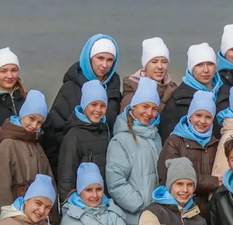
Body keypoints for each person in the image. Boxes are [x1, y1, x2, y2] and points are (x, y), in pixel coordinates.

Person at [44, 34, 122, 163]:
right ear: (89, 58)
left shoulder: (114, 90)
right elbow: (55, 131)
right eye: (100, 58)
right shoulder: (70, 88)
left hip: (108, 162)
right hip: (77, 163)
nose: (104, 65)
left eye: (110, 60)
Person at [105, 77, 164, 225]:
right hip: (134, 221)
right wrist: (141, 206)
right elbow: (116, 183)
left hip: (156, 218)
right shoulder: (120, 140)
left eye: (154, 109)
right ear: (134, 106)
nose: (149, 113)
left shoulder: (155, 137)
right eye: (145, 106)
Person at [0, 89, 53, 224]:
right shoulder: (7, 146)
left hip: (38, 218)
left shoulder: (37, 146)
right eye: (31, 118)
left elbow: (49, 184)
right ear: (23, 114)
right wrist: (6, 223)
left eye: (40, 122)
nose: (34, 125)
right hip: (16, 219)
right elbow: (1, 191)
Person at [159, 91, 220, 215]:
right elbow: (172, 176)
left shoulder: (215, 144)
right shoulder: (175, 141)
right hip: (180, 209)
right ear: (190, 116)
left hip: (208, 212)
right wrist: (214, 182)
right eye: (198, 115)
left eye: (208, 117)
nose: (202, 121)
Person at [56, 80, 112, 200]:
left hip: (101, 200)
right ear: (84, 105)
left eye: (103, 106)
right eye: (93, 104)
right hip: (81, 202)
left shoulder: (105, 131)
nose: (98, 110)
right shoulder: (74, 135)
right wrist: (67, 203)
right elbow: (66, 176)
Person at [160, 43, 227, 142]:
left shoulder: (227, 93)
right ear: (192, 69)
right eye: (199, 65)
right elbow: (168, 141)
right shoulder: (178, 101)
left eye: (210, 64)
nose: (206, 70)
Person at [121, 37, 177, 113]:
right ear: (146, 65)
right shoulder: (132, 93)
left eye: (164, 62)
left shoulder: (174, 90)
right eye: (154, 62)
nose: (160, 67)